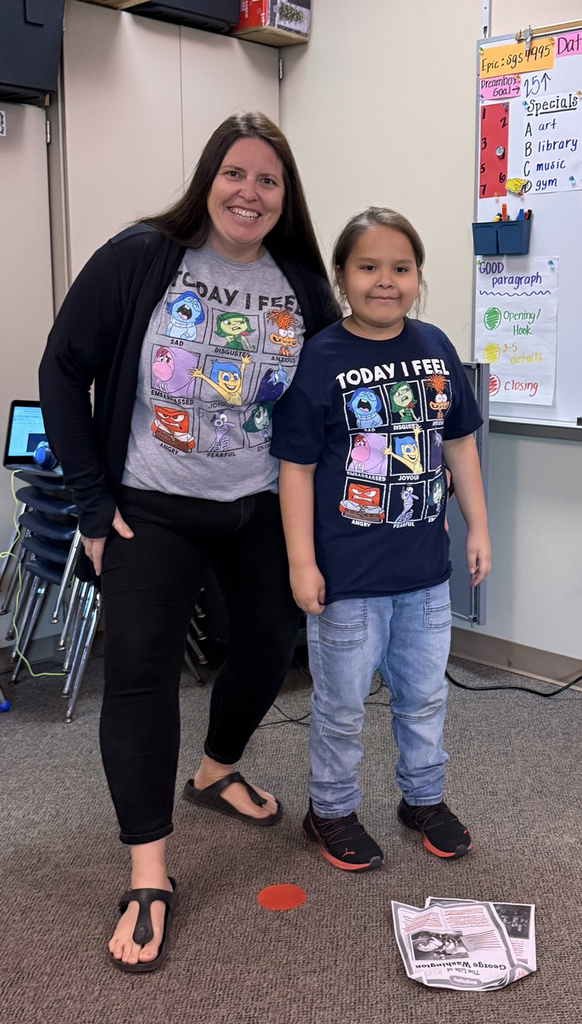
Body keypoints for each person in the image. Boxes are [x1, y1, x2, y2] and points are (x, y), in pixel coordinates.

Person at [39, 111, 340, 971]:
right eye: (234, 173)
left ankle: (216, 770)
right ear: (208, 178)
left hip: (256, 507)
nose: (250, 191)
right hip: (151, 509)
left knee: (271, 645)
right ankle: (149, 874)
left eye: (268, 179)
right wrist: (91, 506)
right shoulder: (141, 257)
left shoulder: (300, 283)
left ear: (286, 195)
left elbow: (328, 393)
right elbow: (63, 368)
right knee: (141, 675)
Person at [271, 207, 491, 872]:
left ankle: (422, 800)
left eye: (401, 267)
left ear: (418, 276)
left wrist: (479, 526)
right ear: (342, 276)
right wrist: (301, 563)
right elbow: (296, 469)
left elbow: (459, 444)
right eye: (368, 267)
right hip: (347, 580)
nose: (385, 280)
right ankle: (331, 809)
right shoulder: (320, 359)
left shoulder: (435, 346)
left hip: (424, 574)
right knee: (340, 708)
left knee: (424, 699)